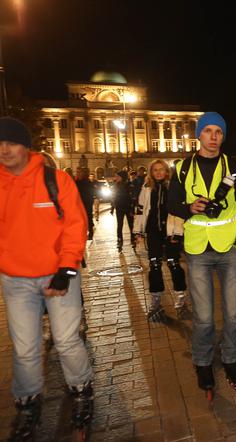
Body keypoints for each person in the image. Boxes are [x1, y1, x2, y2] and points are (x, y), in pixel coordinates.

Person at [0, 117, 93, 439]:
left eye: (11, 142)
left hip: (57, 275)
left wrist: (66, 270)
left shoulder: (55, 180)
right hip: (16, 280)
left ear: (26, 146)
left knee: (66, 341)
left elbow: (75, 225)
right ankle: (28, 402)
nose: (5, 149)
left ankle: (81, 389)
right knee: (25, 347)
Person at [167, 112, 236, 397]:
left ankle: (231, 358)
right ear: (199, 135)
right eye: (208, 131)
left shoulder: (234, 166)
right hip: (198, 248)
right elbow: (171, 203)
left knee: (232, 313)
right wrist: (189, 208)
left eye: (219, 132)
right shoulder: (182, 167)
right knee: (203, 317)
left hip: (229, 247)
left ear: (223, 136)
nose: (213, 136)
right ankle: (202, 362)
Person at [134, 159, 188, 321]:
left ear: (166, 171)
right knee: (154, 265)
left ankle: (180, 299)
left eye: (161, 169)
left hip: (170, 231)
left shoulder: (173, 187)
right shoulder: (146, 188)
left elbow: (179, 211)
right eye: (155, 170)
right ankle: (156, 301)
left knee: (173, 263)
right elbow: (140, 210)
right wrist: (137, 231)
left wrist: (178, 232)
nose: (158, 173)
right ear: (151, 172)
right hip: (153, 232)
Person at [113, 169, 135, 251]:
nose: (116, 177)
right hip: (119, 208)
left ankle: (133, 240)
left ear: (122, 177)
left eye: (117, 176)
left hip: (128, 207)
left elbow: (132, 197)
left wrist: (132, 209)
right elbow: (114, 197)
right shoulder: (116, 185)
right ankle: (119, 240)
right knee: (119, 224)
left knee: (131, 224)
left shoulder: (129, 185)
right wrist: (113, 207)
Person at [75, 167, 95, 240]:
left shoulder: (87, 182)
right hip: (78, 204)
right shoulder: (76, 181)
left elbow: (90, 193)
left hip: (86, 203)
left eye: (78, 172)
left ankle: (90, 232)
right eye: (76, 172)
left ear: (83, 173)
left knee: (88, 217)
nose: (77, 173)